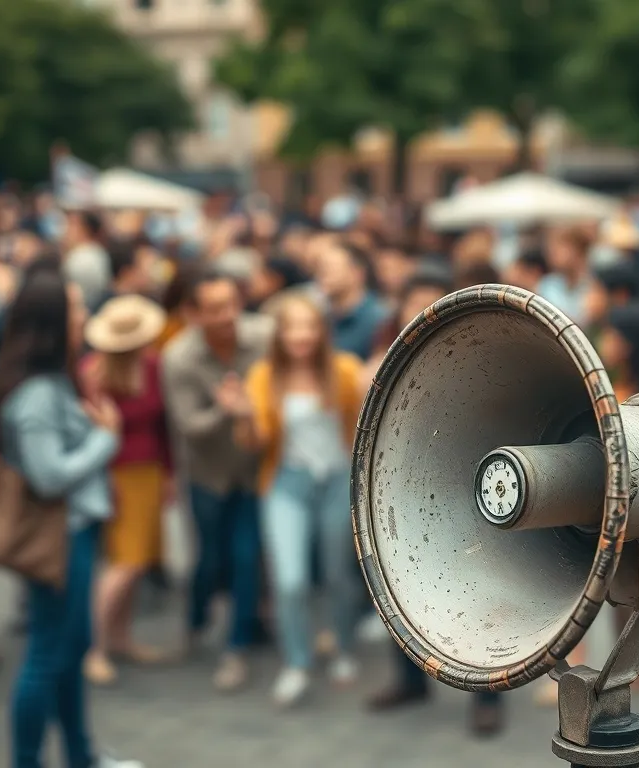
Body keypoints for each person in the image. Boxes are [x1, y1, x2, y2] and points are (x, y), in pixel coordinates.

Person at [0, 261, 142, 768]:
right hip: (59, 536)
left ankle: (80, 755)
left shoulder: (50, 382)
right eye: (74, 307)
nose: (83, 314)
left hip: (72, 531)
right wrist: (105, 439)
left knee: (69, 650)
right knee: (47, 656)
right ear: (52, 321)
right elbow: (50, 476)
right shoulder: (37, 395)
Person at [364, 268, 505, 737]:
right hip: (403, 490)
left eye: (432, 301)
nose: (421, 311)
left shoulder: (474, 351)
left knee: (484, 587)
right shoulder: (385, 354)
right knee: (398, 580)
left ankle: (487, 694)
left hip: (468, 481)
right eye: (414, 302)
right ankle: (410, 679)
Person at [231, 292, 362, 707]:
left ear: (322, 331)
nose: (301, 335)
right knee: (289, 580)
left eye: (309, 326)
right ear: (279, 334)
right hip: (286, 483)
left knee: (338, 574)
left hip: (337, 480)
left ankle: (342, 646)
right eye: (292, 327)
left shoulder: (343, 371)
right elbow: (255, 442)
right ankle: (297, 662)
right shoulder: (264, 375)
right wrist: (243, 414)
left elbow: (365, 423)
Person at [160, 267, 271, 692]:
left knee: (246, 557)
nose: (227, 315)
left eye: (232, 304)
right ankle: (195, 620)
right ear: (194, 314)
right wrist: (226, 410)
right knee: (208, 559)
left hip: (253, 469)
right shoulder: (179, 357)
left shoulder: (263, 336)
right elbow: (188, 425)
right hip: (207, 475)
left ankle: (236, 647)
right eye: (215, 308)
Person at [80, 295, 172, 686]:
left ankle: (120, 637)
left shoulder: (152, 366)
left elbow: (162, 425)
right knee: (125, 563)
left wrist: (168, 473)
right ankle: (93, 647)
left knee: (138, 559)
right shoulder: (93, 374)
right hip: (115, 472)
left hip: (148, 471)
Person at [315, 239, 390, 360]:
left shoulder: (380, 320)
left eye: (330, 268)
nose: (323, 275)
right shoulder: (321, 316)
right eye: (321, 269)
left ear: (357, 273)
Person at [63, 210, 110, 313]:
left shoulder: (81, 259)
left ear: (83, 229)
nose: (65, 232)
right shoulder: (98, 252)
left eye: (71, 225)